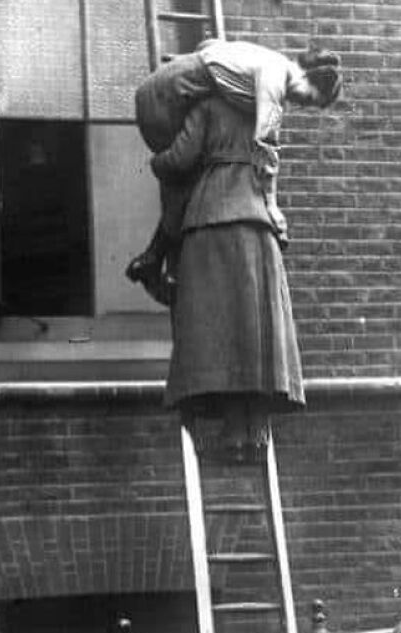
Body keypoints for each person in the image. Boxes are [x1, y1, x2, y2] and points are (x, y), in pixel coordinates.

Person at [127, 39, 342, 301]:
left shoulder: (264, 56)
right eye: (307, 98)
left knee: (185, 175)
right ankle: (166, 268)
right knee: (185, 173)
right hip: (164, 98)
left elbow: (208, 45)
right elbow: (266, 144)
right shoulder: (275, 76)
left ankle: (155, 259)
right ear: (307, 75)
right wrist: (272, 206)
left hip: (159, 85)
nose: (299, 103)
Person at [151, 94, 305, 458]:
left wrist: (157, 160)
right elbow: (270, 162)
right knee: (256, 330)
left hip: (214, 217)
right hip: (258, 223)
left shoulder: (205, 107)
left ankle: (235, 432)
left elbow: (181, 158)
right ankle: (256, 430)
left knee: (225, 328)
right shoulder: (265, 110)